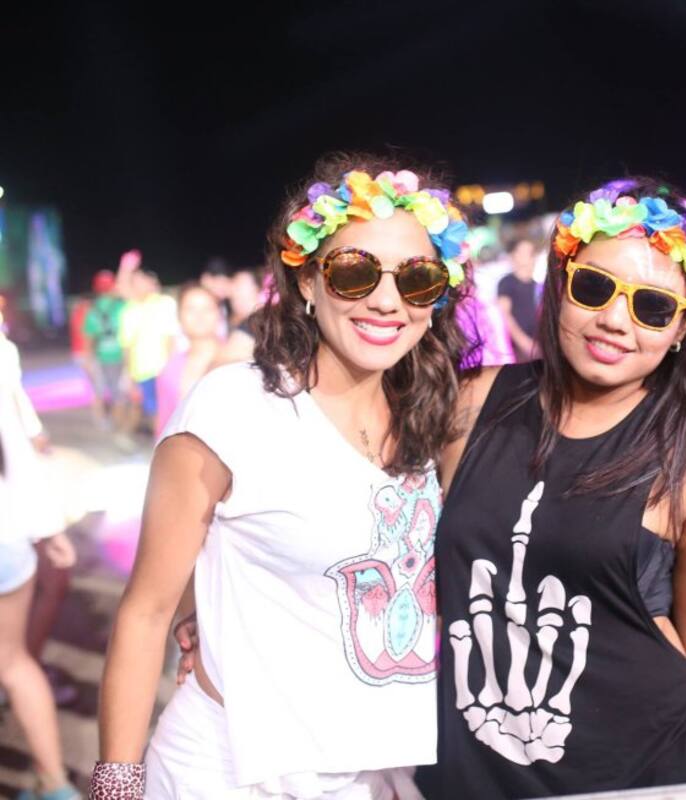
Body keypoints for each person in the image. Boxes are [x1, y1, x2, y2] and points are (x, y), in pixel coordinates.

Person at [93, 156, 472, 799]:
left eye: (417, 279)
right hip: (230, 775)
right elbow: (145, 610)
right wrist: (116, 789)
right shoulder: (234, 408)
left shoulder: (429, 417)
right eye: (354, 272)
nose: (386, 300)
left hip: (370, 775)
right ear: (307, 281)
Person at [417, 178, 686, 799]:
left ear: (684, 326)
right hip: (468, 775)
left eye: (652, 307)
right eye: (595, 288)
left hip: (640, 772)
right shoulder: (470, 403)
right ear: (561, 284)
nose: (614, 321)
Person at [0, 317, 79, 800]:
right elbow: (15, 443)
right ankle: (54, 786)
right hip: (6, 531)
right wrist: (48, 527)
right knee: (13, 662)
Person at [155, 283, 224, 436]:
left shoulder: (236, 359)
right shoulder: (171, 366)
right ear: (179, 316)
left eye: (207, 309)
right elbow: (164, 421)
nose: (199, 316)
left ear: (219, 314)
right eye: (190, 309)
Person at [117, 269, 178, 437]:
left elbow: (171, 337)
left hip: (165, 368)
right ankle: (160, 441)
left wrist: (171, 365)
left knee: (170, 410)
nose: (138, 286)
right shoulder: (128, 310)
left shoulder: (165, 303)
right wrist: (129, 374)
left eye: (141, 281)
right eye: (134, 282)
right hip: (142, 371)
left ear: (151, 282)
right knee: (152, 410)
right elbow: (127, 346)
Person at [82, 270, 126, 427]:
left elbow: (89, 339)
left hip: (100, 357)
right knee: (119, 393)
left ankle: (101, 422)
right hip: (120, 357)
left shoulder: (92, 311)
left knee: (99, 391)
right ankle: (119, 424)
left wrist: (87, 361)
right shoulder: (122, 306)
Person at [496, 237, 541, 361]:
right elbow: (504, 315)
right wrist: (524, 343)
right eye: (523, 252)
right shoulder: (507, 282)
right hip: (518, 350)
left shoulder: (537, 285)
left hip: (538, 346)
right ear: (513, 255)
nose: (528, 257)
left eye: (531, 253)